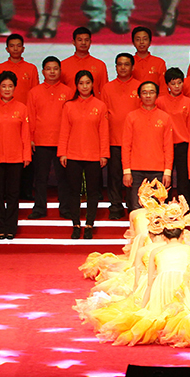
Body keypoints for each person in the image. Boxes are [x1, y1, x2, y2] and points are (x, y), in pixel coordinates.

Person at [59, 70, 109, 239]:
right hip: (73, 154)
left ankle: (89, 224)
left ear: (92, 84)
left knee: (93, 192)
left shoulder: (100, 105)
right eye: (81, 83)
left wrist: (104, 154)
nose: (85, 86)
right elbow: (64, 131)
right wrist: (62, 153)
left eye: (87, 83)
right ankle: (75, 224)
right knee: (74, 191)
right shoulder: (69, 106)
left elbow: (104, 132)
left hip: (94, 155)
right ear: (76, 85)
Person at [0, 71, 31, 240]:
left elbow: (25, 134)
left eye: (10, 86)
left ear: (15, 88)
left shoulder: (22, 108)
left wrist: (26, 155)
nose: (7, 89)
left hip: (16, 157)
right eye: (3, 86)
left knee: (13, 193)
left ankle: (11, 227)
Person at [27, 56, 71, 220]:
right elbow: (31, 116)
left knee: (63, 178)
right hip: (40, 141)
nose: (52, 72)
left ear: (60, 71)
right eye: (48, 69)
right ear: (43, 71)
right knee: (40, 178)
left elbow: (71, 118)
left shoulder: (68, 92)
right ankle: (39, 208)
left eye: (55, 68)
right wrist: (31, 138)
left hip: (62, 142)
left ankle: (65, 208)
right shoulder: (34, 92)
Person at [122, 82, 174, 211]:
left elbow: (168, 146)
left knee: (157, 209)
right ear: (139, 95)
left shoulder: (165, 117)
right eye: (144, 93)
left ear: (157, 95)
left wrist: (167, 172)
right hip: (136, 170)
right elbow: (126, 145)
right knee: (136, 208)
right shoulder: (131, 117)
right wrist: (126, 171)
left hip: (158, 171)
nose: (148, 96)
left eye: (151, 92)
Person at [102, 53, 142, 219]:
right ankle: (116, 206)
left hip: (136, 141)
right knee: (115, 175)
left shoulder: (140, 87)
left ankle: (134, 206)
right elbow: (103, 115)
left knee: (135, 176)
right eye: (120, 64)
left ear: (132, 67)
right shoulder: (107, 88)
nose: (123, 67)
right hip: (114, 139)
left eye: (126, 64)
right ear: (115, 67)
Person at [157, 67, 190, 205]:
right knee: (164, 179)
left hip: (183, 145)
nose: (176, 86)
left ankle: (185, 207)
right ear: (167, 85)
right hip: (164, 145)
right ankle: (163, 207)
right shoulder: (160, 102)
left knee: (184, 179)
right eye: (173, 83)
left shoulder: (189, 103)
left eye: (179, 83)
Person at [0, 33, 39, 104]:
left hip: (25, 109)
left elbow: (35, 93)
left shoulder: (31, 68)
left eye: (18, 46)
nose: (15, 49)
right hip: (4, 109)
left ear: (23, 49)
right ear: (7, 49)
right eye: (12, 46)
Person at [60, 26, 109, 93]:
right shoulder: (63, 65)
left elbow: (105, 92)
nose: (83, 43)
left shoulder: (100, 65)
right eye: (80, 40)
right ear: (73, 42)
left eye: (86, 40)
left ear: (90, 42)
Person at [130, 27, 167, 91]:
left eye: (145, 39)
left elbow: (163, 87)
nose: (141, 42)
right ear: (133, 42)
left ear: (150, 42)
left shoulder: (159, 62)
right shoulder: (128, 63)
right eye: (138, 39)